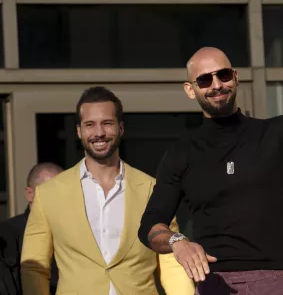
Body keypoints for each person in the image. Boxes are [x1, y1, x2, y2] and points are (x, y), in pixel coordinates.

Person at [138, 4, 283, 295]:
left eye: (223, 75)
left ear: (235, 77)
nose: (216, 84)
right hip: (216, 284)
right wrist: (178, 242)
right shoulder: (182, 152)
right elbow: (151, 225)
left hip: (279, 281)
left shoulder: (276, 133)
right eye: (204, 80)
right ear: (191, 89)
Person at [21, 87, 194, 295]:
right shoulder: (48, 194)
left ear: (121, 128)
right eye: (90, 125)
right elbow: (34, 268)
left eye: (107, 123)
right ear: (79, 131)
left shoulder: (151, 189)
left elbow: (170, 261)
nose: (99, 133)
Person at [0, 162, 63, 295]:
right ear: (30, 194)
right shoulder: (8, 235)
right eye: (51, 192)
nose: (60, 199)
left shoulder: (72, 231)